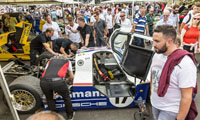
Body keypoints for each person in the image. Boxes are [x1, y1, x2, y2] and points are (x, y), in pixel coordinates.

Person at [151, 25, 197, 120]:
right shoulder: (157, 55)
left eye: (157, 41)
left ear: (169, 42)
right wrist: (151, 95)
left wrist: (179, 118)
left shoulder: (185, 63)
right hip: (155, 104)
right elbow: (153, 74)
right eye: (153, 40)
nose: (153, 44)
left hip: (171, 110)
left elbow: (187, 97)